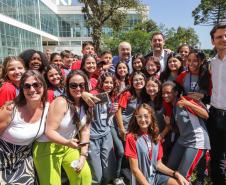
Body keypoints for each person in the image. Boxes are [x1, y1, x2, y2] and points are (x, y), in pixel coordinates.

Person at [33, 70, 92, 185]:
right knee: (51, 182)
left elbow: (85, 131)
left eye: (81, 85)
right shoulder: (61, 102)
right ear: (67, 86)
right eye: (73, 85)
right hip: (47, 146)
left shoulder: (87, 104)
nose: (78, 88)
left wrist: (83, 156)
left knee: (83, 176)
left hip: (68, 146)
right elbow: (49, 131)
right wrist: (67, 142)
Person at [0, 70, 49, 184]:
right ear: (22, 90)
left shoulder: (47, 107)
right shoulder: (11, 110)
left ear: (44, 86)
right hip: (3, 160)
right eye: (27, 86)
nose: (32, 90)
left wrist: (84, 95)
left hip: (24, 160)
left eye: (36, 85)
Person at [125, 103, 189, 185]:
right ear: (136, 119)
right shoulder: (131, 137)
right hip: (141, 181)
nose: (143, 119)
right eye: (139, 117)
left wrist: (176, 174)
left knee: (181, 183)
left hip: (155, 177)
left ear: (151, 117)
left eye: (146, 116)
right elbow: (135, 170)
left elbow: (158, 164)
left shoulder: (154, 136)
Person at [161, 81, 210, 182]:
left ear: (176, 92)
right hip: (182, 140)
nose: (165, 95)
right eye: (163, 93)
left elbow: (205, 114)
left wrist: (187, 103)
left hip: (197, 141)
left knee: (183, 175)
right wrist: (169, 125)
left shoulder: (186, 100)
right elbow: (180, 128)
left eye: (168, 92)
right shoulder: (174, 107)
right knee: (169, 169)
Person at [88, 72, 117, 185]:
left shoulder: (110, 96)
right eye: (106, 82)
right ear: (101, 82)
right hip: (92, 136)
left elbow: (106, 117)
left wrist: (112, 112)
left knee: (109, 168)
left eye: (111, 83)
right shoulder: (93, 94)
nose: (109, 85)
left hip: (106, 133)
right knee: (96, 172)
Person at [207, 23, 226, 185]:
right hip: (215, 114)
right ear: (213, 41)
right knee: (216, 155)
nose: (224, 39)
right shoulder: (212, 63)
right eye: (219, 37)